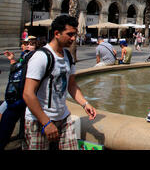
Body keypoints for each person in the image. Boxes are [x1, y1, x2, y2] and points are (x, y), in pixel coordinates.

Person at [22, 15, 96, 150]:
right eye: (70, 34)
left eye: (74, 34)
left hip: (63, 117)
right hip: (38, 120)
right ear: (57, 33)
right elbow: (28, 94)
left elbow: (71, 85)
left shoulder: (68, 56)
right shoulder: (41, 57)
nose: (73, 38)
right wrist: (46, 123)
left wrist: (85, 104)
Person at [0, 36, 44, 150]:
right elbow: (16, 71)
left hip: (23, 98)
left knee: (15, 124)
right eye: (26, 43)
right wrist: (12, 60)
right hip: (16, 97)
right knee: (7, 123)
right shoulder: (24, 57)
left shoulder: (36, 59)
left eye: (30, 44)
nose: (27, 46)